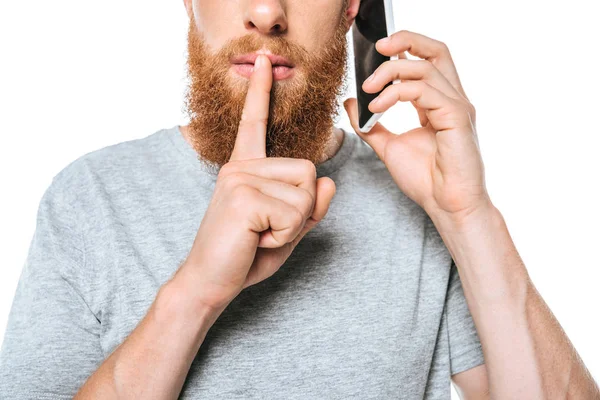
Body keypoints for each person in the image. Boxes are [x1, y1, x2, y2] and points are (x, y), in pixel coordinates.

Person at [0, 0, 598, 398]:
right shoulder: (90, 197)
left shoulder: (415, 197)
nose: (266, 13)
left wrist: (466, 216)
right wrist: (196, 292)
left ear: (350, 9)